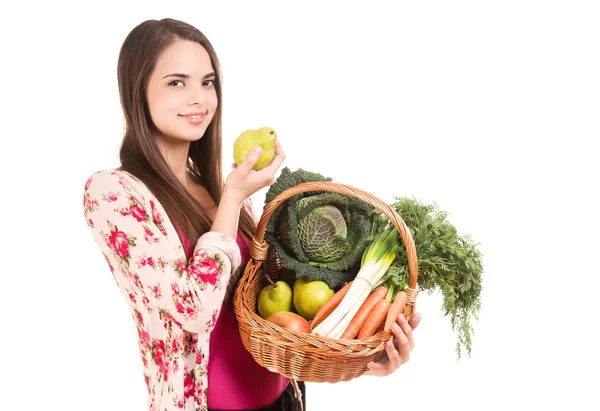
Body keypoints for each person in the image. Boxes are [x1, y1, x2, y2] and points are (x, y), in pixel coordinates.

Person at [82, 17, 421, 411]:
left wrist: (354, 358)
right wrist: (232, 198)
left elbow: (270, 309)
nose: (199, 98)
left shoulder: (221, 188)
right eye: (177, 82)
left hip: (287, 399)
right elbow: (193, 309)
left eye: (207, 82)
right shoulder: (114, 193)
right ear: (136, 91)